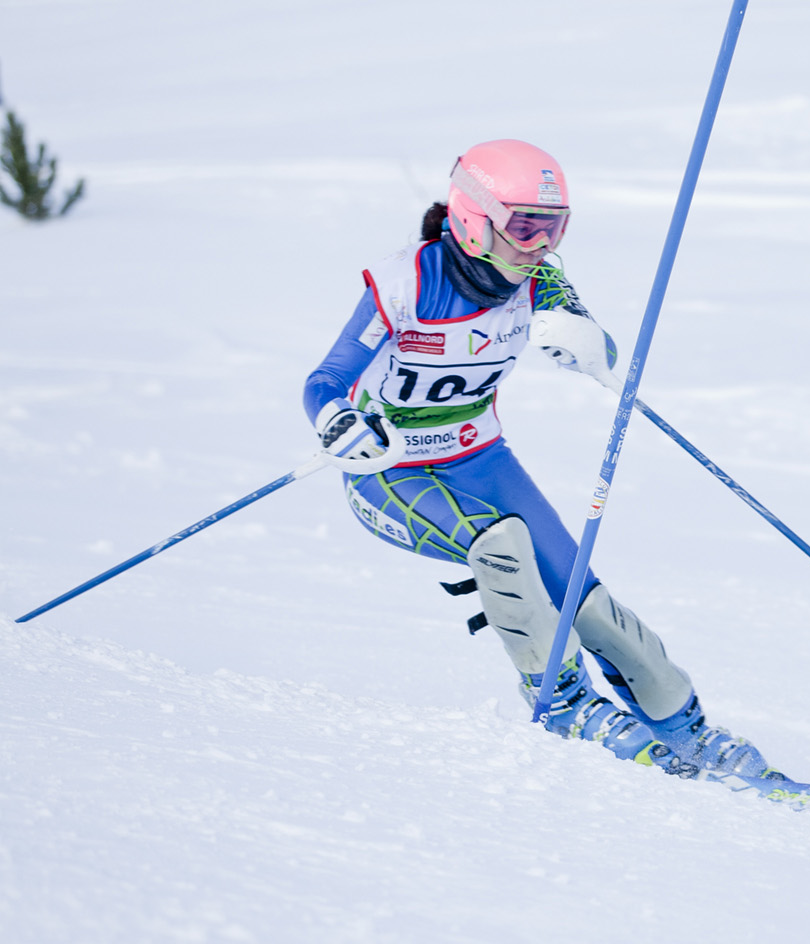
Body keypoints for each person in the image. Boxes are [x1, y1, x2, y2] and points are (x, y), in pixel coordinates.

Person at [303, 139, 779, 780]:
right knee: (500, 545)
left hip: (478, 456)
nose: (539, 246)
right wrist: (338, 421)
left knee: (586, 602)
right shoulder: (406, 281)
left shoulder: (540, 281)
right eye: (526, 226)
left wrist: (586, 343)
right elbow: (326, 380)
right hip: (389, 470)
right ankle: (561, 705)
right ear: (474, 219)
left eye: (553, 229)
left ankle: (686, 728)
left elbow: (596, 346)